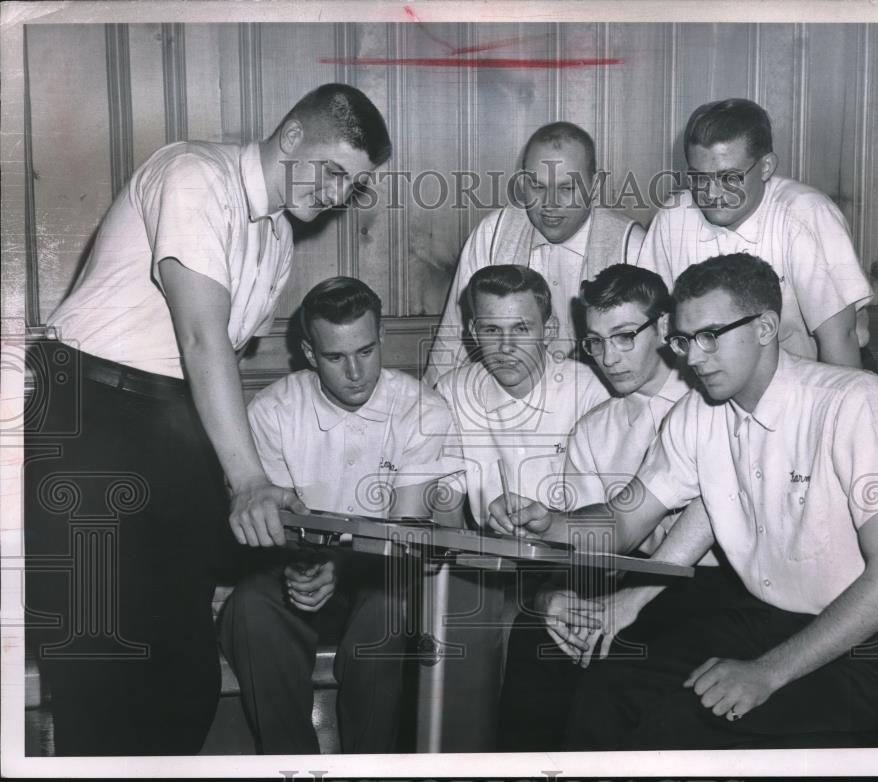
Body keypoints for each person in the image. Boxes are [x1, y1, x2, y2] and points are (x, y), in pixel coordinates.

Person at [24, 84, 390, 755]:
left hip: (172, 425)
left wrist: (286, 542)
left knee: (183, 678)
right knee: (100, 675)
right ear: (289, 139)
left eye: (356, 184)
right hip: (90, 417)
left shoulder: (276, 236)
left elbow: (204, 378)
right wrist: (249, 480)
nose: (341, 195)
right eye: (335, 171)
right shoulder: (194, 173)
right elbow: (201, 340)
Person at [490, 253, 878, 750]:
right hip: (768, 618)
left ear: (766, 327)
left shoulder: (856, 402)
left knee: (678, 723)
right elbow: (622, 522)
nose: (693, 357)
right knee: (611, 687)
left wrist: (768, 673)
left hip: (875, 644)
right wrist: (549, 524)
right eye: (684, 340)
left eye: (711, 336)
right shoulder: (699, 414)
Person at [218, 277, 457, 754]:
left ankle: (369, 766)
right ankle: (291, 765)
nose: (355, 372)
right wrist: (302, 566)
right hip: (295, 570)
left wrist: (341, 565)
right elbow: (272, 531)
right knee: (249, 608)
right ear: (309, 352)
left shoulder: (423, 411)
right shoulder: (271, 412)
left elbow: (404, 536)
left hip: (382, 576)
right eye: (334, 357)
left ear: (382, 337)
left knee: (388, 610)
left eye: (366, 351)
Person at [497, 264, 723, 751]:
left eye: (623, 337)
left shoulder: (709, 400)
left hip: (711, 589)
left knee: (614, 671)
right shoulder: (595, 429)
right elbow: (587, 559)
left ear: (663, 327)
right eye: (595, 342)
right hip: (624, 577)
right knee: (536, 638)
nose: (608, 358)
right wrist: (552, 600)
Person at [638, 98, 872, 372]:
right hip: (706, 384)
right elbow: (649, 326)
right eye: (699, 178)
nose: (711, 194)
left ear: (765, 167)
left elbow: (840, 339)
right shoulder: (672, 220)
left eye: (729, 178)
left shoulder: (806, 215)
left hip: (806, 384)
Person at [424, 122, 646, 385]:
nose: (550, 204)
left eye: (567, 188)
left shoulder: (631, 246)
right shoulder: (492, 234)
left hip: (600, 400)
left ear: (594, 186)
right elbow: (453, 341)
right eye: (537, 187)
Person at [433, 265, 609, 528]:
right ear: (473, 331)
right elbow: (444, 501)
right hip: (491, 558)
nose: (506, 347)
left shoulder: (592, 391)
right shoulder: (453, 392)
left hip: (581, 556)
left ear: (549, 330)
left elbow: (619, 511)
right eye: (491, 330)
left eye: (521, 328)